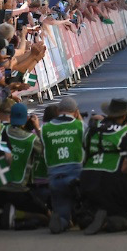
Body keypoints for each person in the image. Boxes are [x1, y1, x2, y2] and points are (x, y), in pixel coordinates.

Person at [80, 98, 127, 235]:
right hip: (111, 181)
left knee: (89, 214)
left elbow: (84, 147)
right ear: (124, 116)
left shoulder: (91, 129)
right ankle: (107, 221)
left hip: (88, 179)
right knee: (122, 221)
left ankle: (90, 217)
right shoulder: (125, 132)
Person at [40, 97, 84, 234]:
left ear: (58, 111)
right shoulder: (80, 126)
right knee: (84, 203)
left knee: (61, 208)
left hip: (55, 176)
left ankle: (62, 220)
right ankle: (82, 218)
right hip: (76, 175)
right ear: (76, 112)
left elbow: (44, 150)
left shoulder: (45, 128)